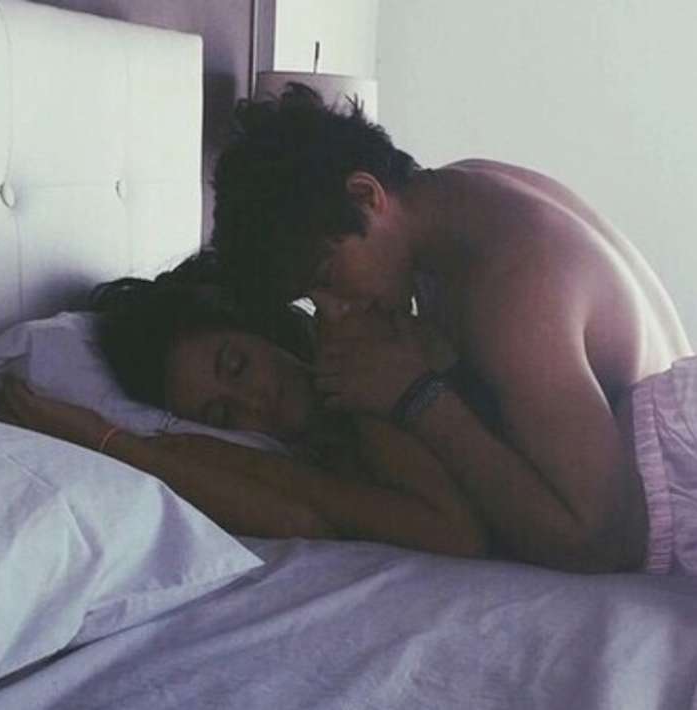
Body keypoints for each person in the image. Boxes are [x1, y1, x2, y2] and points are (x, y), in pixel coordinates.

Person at [209, 84, 695, 574]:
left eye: (326, 277)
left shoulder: (514, 293)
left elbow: (607, 541)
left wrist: (417, 397)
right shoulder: (464, 190)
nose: (332, 312)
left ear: (365, 194)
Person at [1, 256, 488, 559]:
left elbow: (452, 536)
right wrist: (107, 442)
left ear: (262, 327)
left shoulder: (357, 356)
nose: (253, 404)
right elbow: (297, 523)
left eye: (237, 366)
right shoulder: (303, 448)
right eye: (222, 416)